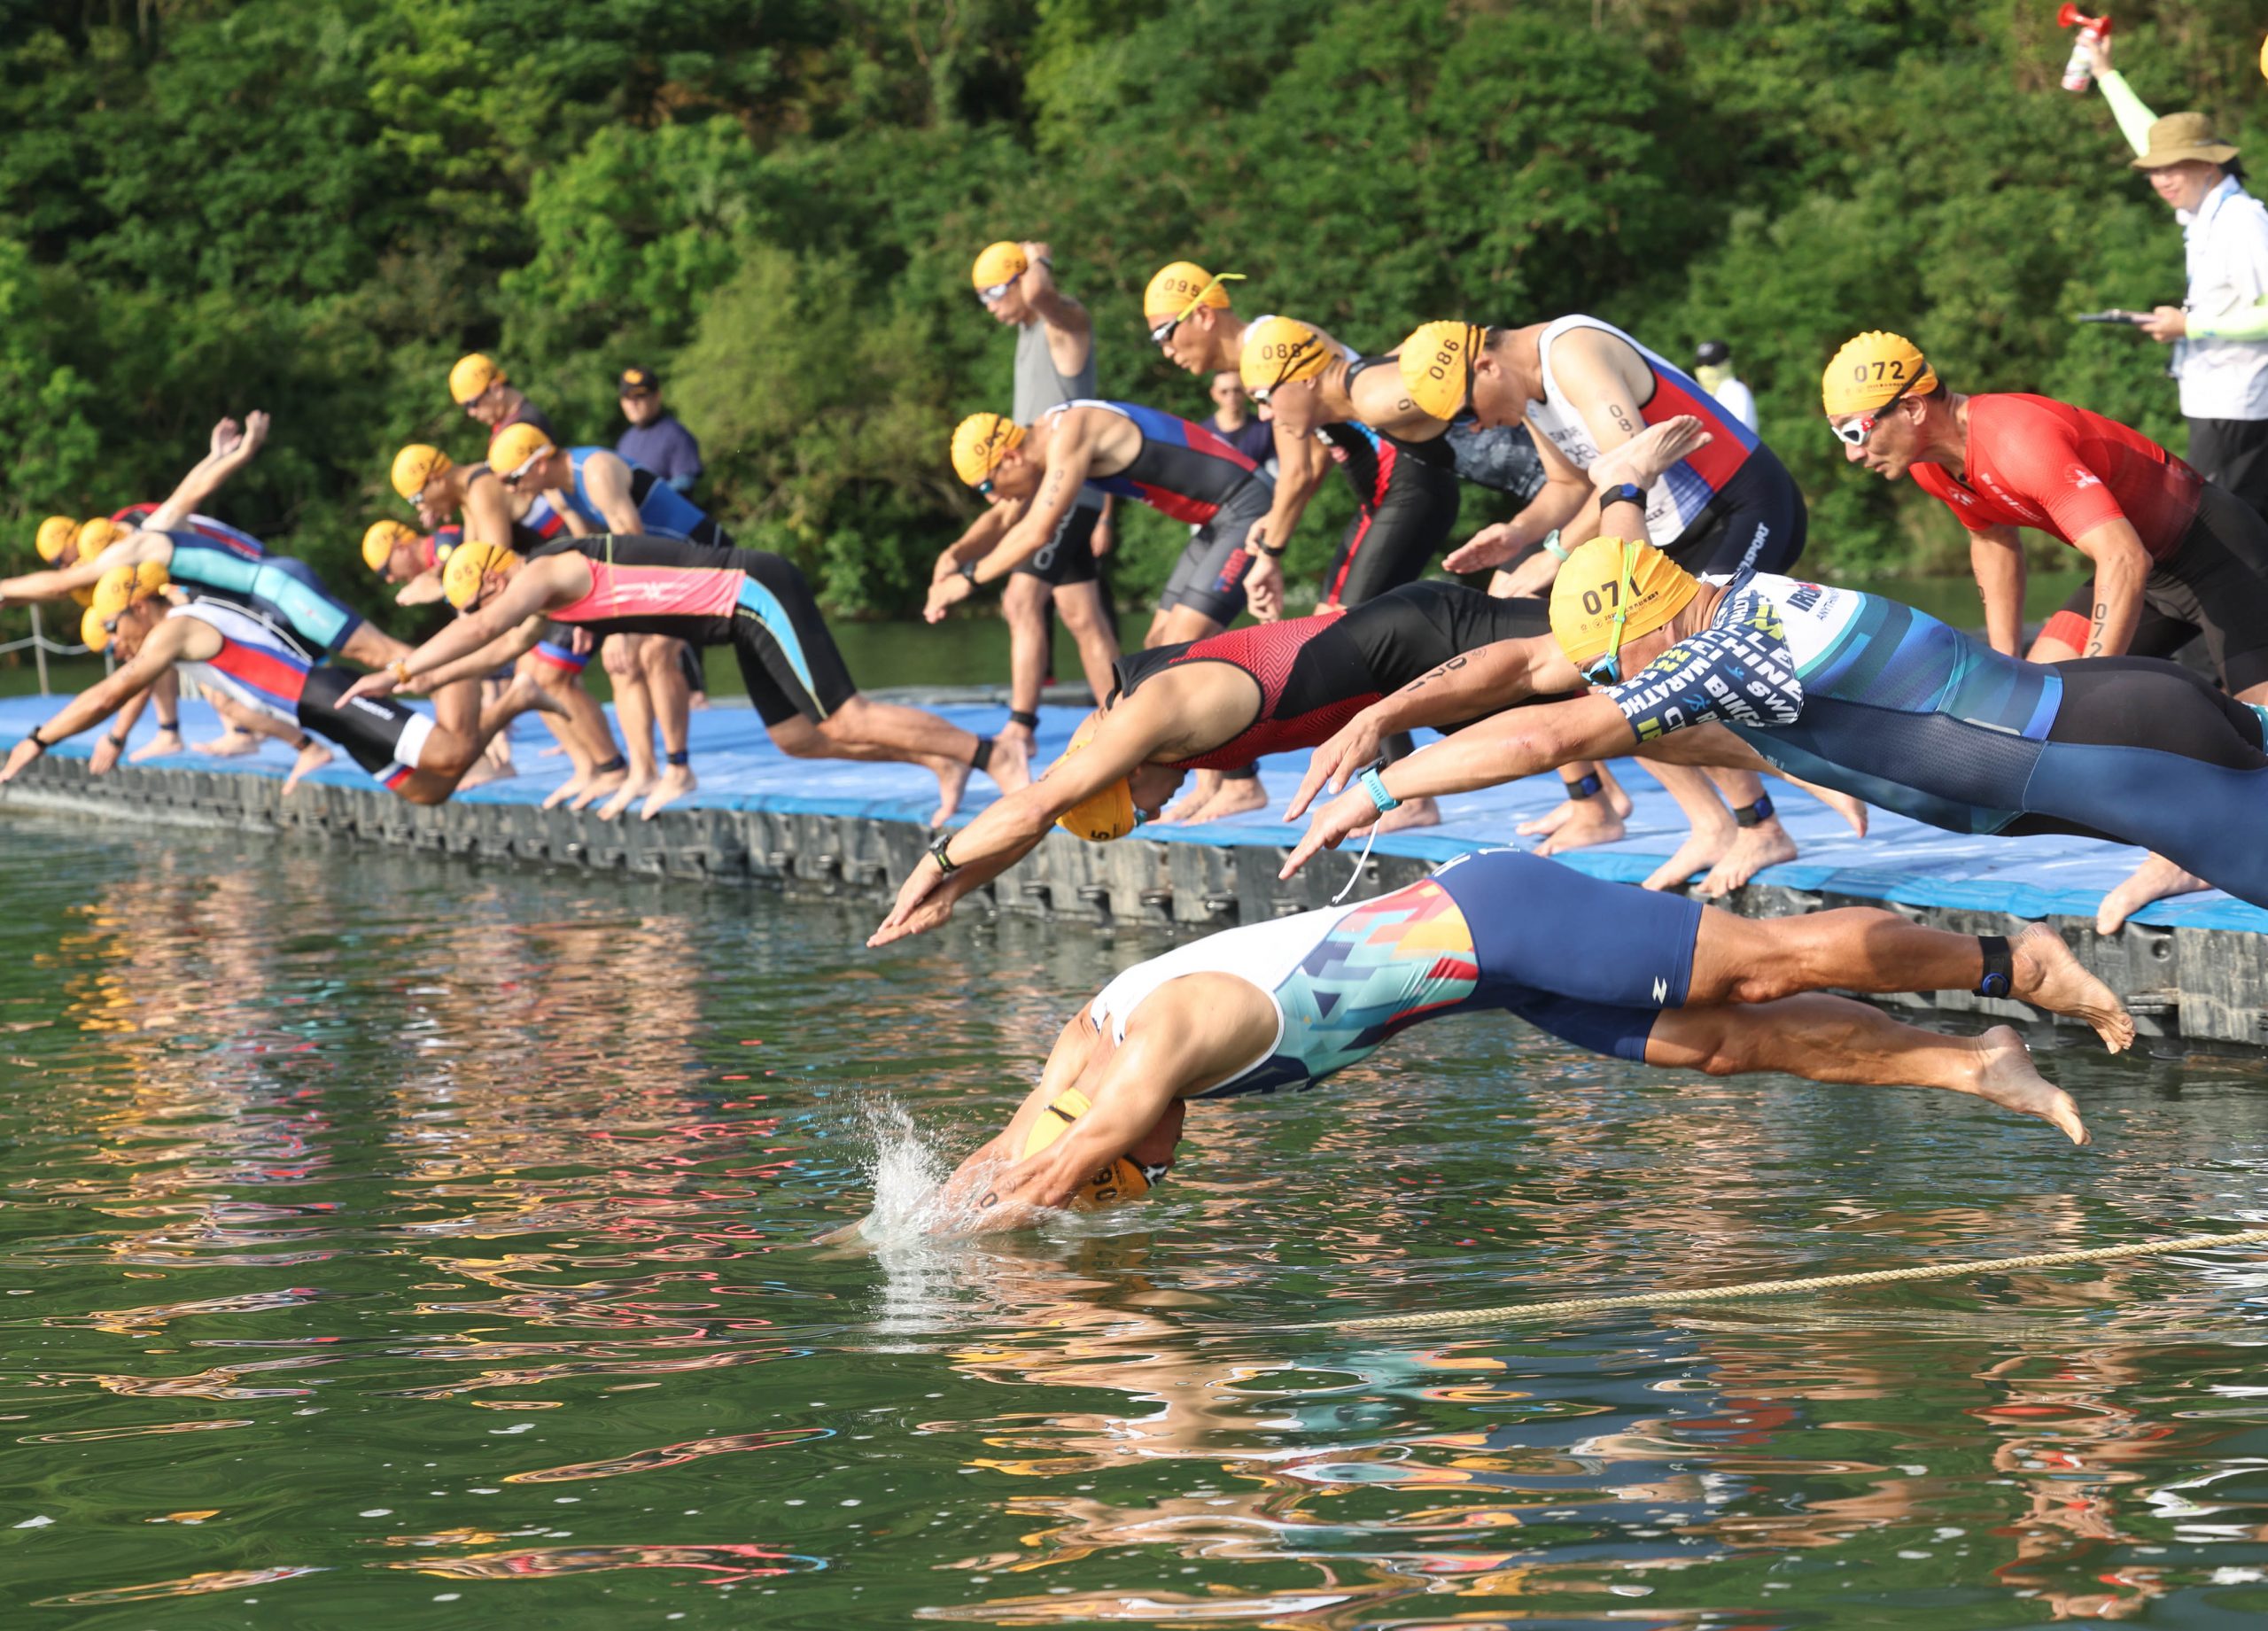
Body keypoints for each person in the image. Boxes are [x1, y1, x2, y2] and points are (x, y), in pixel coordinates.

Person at [846, 847, 2134, 1238]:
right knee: (1728, 1050)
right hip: (1490, 979)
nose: (1160, 1162)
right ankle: (1977, 1063)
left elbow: (1077, 1153)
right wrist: (896, 1234)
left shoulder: (1158, 1047)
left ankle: (2014, 963)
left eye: (1147, 1167)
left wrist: (1014, 1230)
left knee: (1762, 960)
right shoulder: (1085, 1046)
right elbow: (1023, 1150)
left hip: (1497, 918)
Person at [1280, 533, 2268, 940]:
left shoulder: (1734, 650)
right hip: (2117, 723)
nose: (1616, 681)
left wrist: (1369, 796)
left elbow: (1546, 734)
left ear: (1649, 631)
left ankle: (2186, 852)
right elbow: (1532, 666)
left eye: (1617, 663)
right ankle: (2182, 857)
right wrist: (1381, 714)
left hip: (2130, 757)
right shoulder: (1719, 603)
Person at [1395, 317, 1814, 895]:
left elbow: (1631, 464)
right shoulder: (1529, 389)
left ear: (1486, 366)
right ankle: (1712, 823)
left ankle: (1762, 825)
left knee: (1668, 661)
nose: (1480, 428)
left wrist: (1556, 552)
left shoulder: (1571, 354)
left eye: (1469, 414)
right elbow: (1569, 486)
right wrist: (1519, 535)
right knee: (1607, 667)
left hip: (1742, 506)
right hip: (1675, 530)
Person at [341, 535, 1031, 828]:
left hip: (753, 591)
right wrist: (397, 687)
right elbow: (494, 650)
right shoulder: (541, 595)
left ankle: (991, 751)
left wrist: (401, 666)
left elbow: (484, 631)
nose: (481, 611)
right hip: (735, 619)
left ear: (494, 579)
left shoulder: (543, 573)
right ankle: (935, 753)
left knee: (844, 717)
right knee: (797, 737)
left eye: (478, 600)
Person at [1825, 330, 2268, 697]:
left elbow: (2124, 558)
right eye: (1837, 433)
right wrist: (2005, 664)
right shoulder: (1931, 469)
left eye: (1855, 431)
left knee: (2259, 729)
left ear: (1912, 408)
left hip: (2219, 558)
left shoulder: (2017, 440)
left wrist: (2095, 689)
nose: (1851, 453)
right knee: (2034, 699)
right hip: (2144, 578)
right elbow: (1991, 540)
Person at [0, 565, 533, 804]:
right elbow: (127, 688)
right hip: (316, 713)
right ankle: (512, 699)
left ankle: (499, 672)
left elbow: (109, 692)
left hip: (327, 696)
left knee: (448, 754)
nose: (116, 644)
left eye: (115, 630)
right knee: (427, 792)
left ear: (140, 607)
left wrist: (38, 739)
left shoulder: (176, 629)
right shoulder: (180, 614)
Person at [489, 420, 733, 818]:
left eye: (514, 479)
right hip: (663, 569)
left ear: (537, 463)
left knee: (653, 652)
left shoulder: (595, 472)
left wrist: (621, 627)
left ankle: (679, 769)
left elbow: (634, 550)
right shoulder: (556, 491)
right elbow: (589, 556)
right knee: (620, 665)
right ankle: (643, 772)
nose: (514, 492)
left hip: (706, 561)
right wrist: (587, 616)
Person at [2079, 30, 2268, 516]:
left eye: (2171, 169)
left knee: (2224, 532)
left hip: (2240, 408)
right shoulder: (2205, 209)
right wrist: (2106, 74)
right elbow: (2149, 135)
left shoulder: (2242, 221)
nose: (2160, 179)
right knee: (2231, 530)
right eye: (2152, 171)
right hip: (2217, 402)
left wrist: (2191, 326)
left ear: (2209, 165)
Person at [386, 444, 627, 810]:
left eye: (418, 497)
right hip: (547, 586)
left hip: (570, 580)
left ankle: (612, 767)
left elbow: (490, 567)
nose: (420, 510)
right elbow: (475, 565)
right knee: (531, 676)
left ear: (435, 477)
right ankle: (588, 768)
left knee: (550, 676)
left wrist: (436, 590)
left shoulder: (483, 489)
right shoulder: (469, 498)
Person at [954, 240, 1122, 765]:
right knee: (1082, 616)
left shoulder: (1063, 326)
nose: (988, 307)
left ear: (1019, 281)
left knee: (1020, 600)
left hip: (1069, 489)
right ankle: (1124, 719)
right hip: (1047, 489)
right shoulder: (1027, 333)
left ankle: (1020, 731)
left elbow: (1044, 293)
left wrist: (1038, 259)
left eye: (993, 293)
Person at [614, 366, 703, 496]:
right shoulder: (625, 440)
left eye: (639, 396)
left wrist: (644, 498)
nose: (633, 403)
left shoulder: (676, 435)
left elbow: (685, 483)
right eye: (627, 397)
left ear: (657, 396)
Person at [450, 353, 556, 444]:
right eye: (465, 407)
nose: (471, 413)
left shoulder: (525, 426)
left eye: (472, 404)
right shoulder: (511, 422)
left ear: (496, 389)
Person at [1205, 369, 1276, 465]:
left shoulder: (1265, 429)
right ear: (1213, 394)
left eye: (1237, 390)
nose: (1231, 397)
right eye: (1224, 392)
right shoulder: (1203, 433)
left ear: (1245, 391)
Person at [1694, 340, 1759, 431]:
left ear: (1726, 363)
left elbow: (1740, 434)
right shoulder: (1706, 395)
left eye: (1711, 363)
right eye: (1700, 364)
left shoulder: (1735, 391)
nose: (1705, 369)